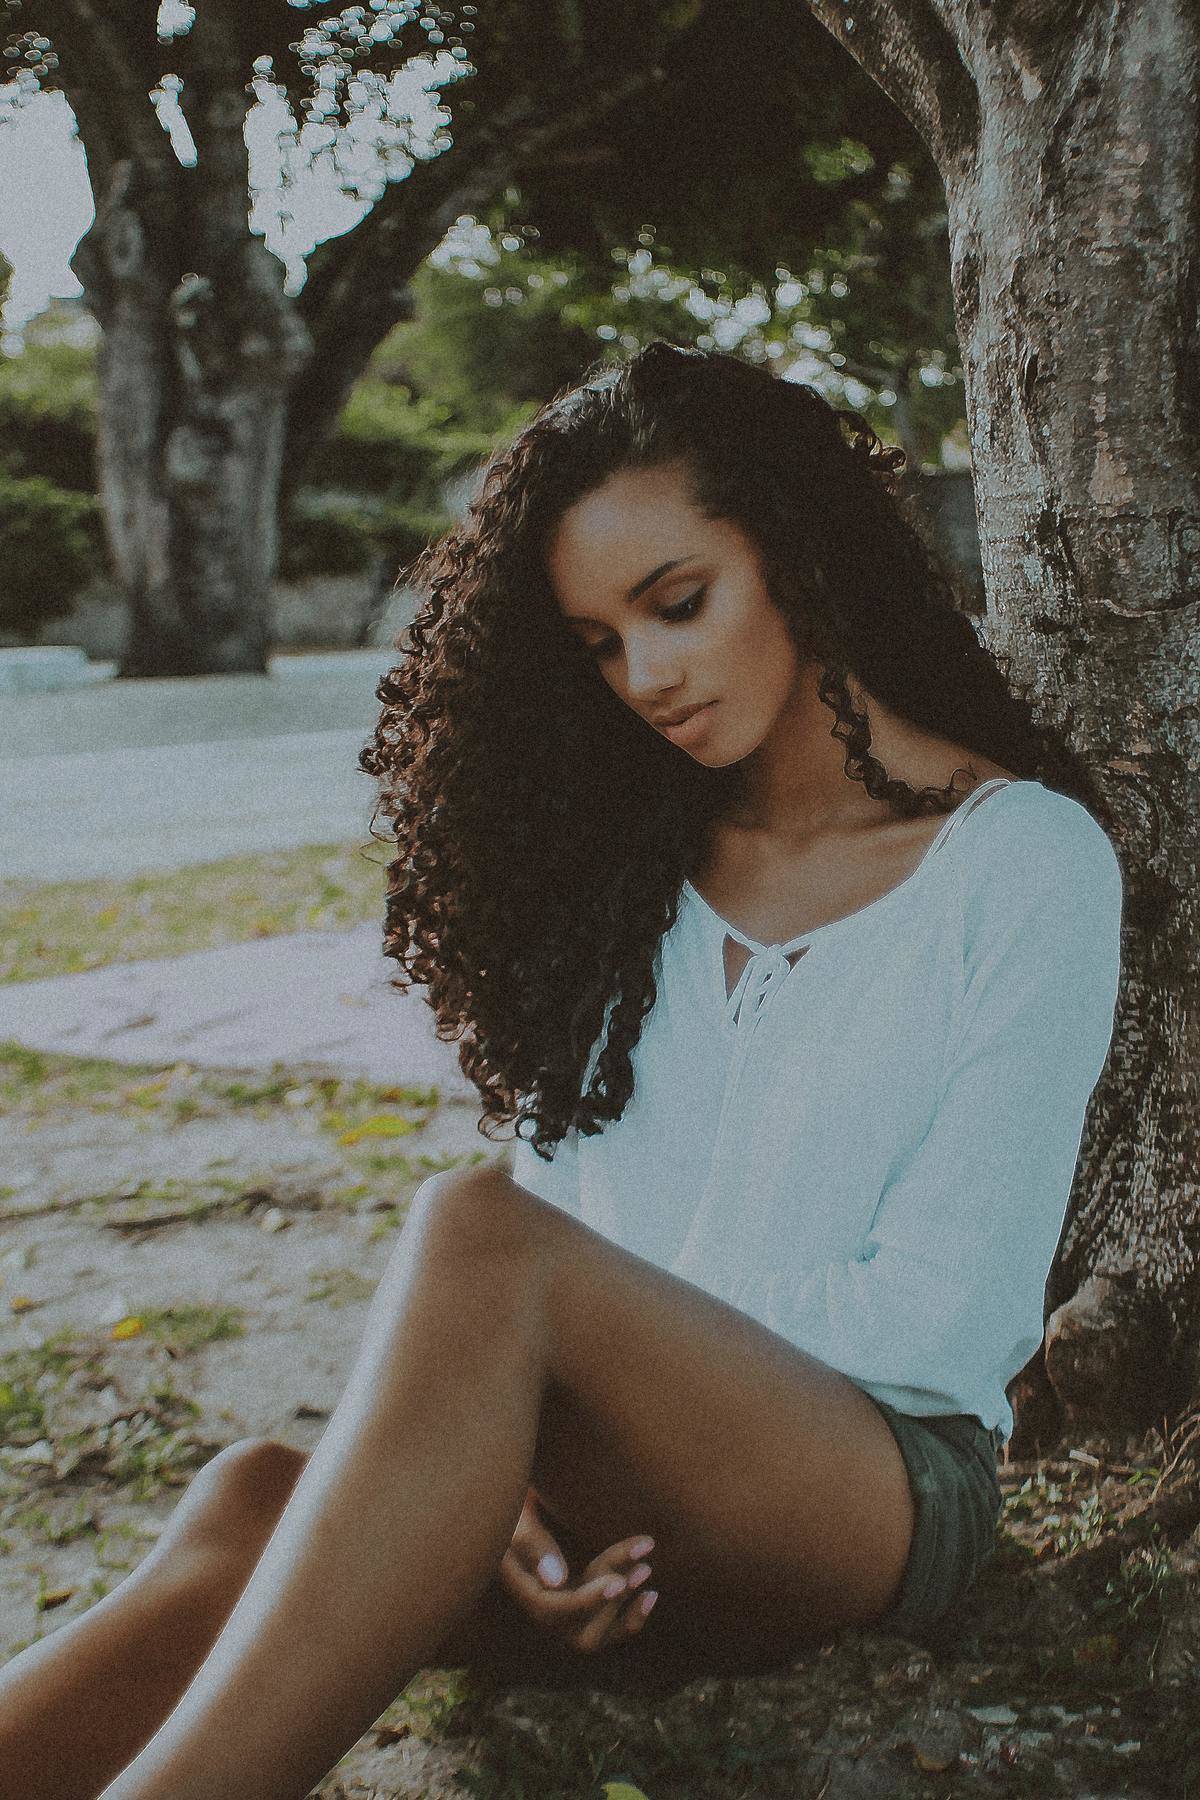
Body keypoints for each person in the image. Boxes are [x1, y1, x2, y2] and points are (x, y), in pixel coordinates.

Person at [0, 342, 1124, 1799]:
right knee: (249, 1503)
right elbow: (559, 1253)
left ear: (795, 552)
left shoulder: (1023, 864)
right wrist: (514, 1493)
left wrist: (563, 1388)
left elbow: (939, 1320)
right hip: (616, 1476)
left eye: (678, 605)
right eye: (599, 643)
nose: (646, 675)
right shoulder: (630, 875)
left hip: (879, 1486)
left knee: (476, 1233)